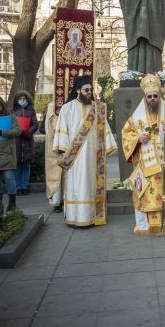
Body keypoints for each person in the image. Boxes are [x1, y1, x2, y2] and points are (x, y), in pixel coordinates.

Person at [121, 74, 165, 236]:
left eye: (155, 96)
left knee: (163, 192)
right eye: (149, 96)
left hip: (163, 165)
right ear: (145, 97)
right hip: (144, 165)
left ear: (159, 96)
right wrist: (138, 139)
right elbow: (126, 134)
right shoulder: (137, 117)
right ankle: (144, 225)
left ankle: (164, 224)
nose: (153, 99)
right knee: (146, 193)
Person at [53, 75, 117, 227]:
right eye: (86, 90)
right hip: (75, 157)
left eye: (90, 90)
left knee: (91, 186)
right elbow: (62, 131)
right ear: (78, 90)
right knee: (76, 186)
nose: (89, 93)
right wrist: (64, 152)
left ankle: (93, 217)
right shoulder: (67, 108)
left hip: (94, 157)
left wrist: (107, 148)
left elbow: (105, 130)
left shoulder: (98, 109)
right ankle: (75, 217)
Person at [11, 90, 39, 196]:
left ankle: (25, 186)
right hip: (16, 141)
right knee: (17, 165)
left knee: (26, 165)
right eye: (20, 98)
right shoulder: (12, 111)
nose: (22, 100)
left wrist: (28, 132)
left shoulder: (31, 111)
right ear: (17, 100)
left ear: (27, 99)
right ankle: (18, 187)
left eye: (24, 98)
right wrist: (16, 131)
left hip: (27, 141)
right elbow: (10, 123)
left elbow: (35, 124)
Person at [40, 100, 64, 212]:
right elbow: (48, 127)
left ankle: (67, 200)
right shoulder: (52, 106)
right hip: (54, 145)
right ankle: (57, 201)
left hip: (69, 144)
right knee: (55, 172)